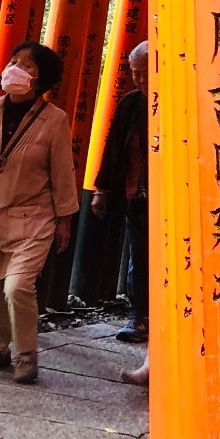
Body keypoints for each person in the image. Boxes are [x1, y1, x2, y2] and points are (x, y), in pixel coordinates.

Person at [0, 41, 79, 384]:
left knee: (17, 286)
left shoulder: (54, 121)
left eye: (28, 65)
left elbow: (63, 173)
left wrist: (64, 221)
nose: (15, 68)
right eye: (14, 60)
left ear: (41, 80)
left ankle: (26, 355)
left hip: (33, 217)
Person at [92, 39, 149, 345]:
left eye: (145, 73)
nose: (139, 79)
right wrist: (102, 189)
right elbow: (113, 148)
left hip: (173, 197)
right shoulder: (130, 103)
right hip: (135, 194)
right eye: (135, 73)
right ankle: (138, 315)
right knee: (138, 256)